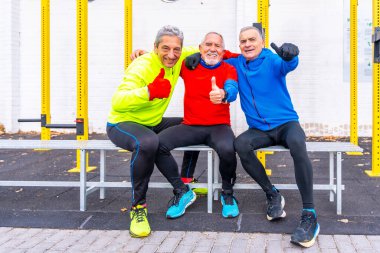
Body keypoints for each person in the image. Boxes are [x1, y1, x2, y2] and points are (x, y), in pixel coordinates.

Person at [186, 26, 319, 248]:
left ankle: (309, 213)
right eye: (243, 41)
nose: (247, 44)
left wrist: (292, 55)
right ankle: (273, 194)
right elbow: (216, 51)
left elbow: (288, 64)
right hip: (259, 129)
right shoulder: (236, 62)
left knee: (297, 143)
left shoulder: (273, 60)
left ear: (262, 42)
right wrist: (194, 54)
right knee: (241, 144)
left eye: (252, 40)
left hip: (286, 124)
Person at [106, 25, 200, 238]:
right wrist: (148, 92)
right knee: (147, 142)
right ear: (155, 47)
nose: (171, 54)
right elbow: (117, 102)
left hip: (152, 121)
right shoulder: (141, 66)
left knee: (196, 123)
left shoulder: (180, 56)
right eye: (165, 48)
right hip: (123, 122)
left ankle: (186, 183)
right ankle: (138, 208)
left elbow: (209, 48)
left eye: (177, 49)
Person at [154, 32, 240, 219]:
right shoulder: (188, 65)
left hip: (219, 126)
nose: (212, 49)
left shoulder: (228, 68)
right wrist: (141, 53)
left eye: (217, 45)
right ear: (200, 48)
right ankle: (182, 190)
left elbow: (233, 89)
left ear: (223, 51)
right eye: (208, 44)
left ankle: (227, 193)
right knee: (157, 145)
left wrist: (224, 94)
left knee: (228, 149)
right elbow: (165, 57)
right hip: (191, 125)